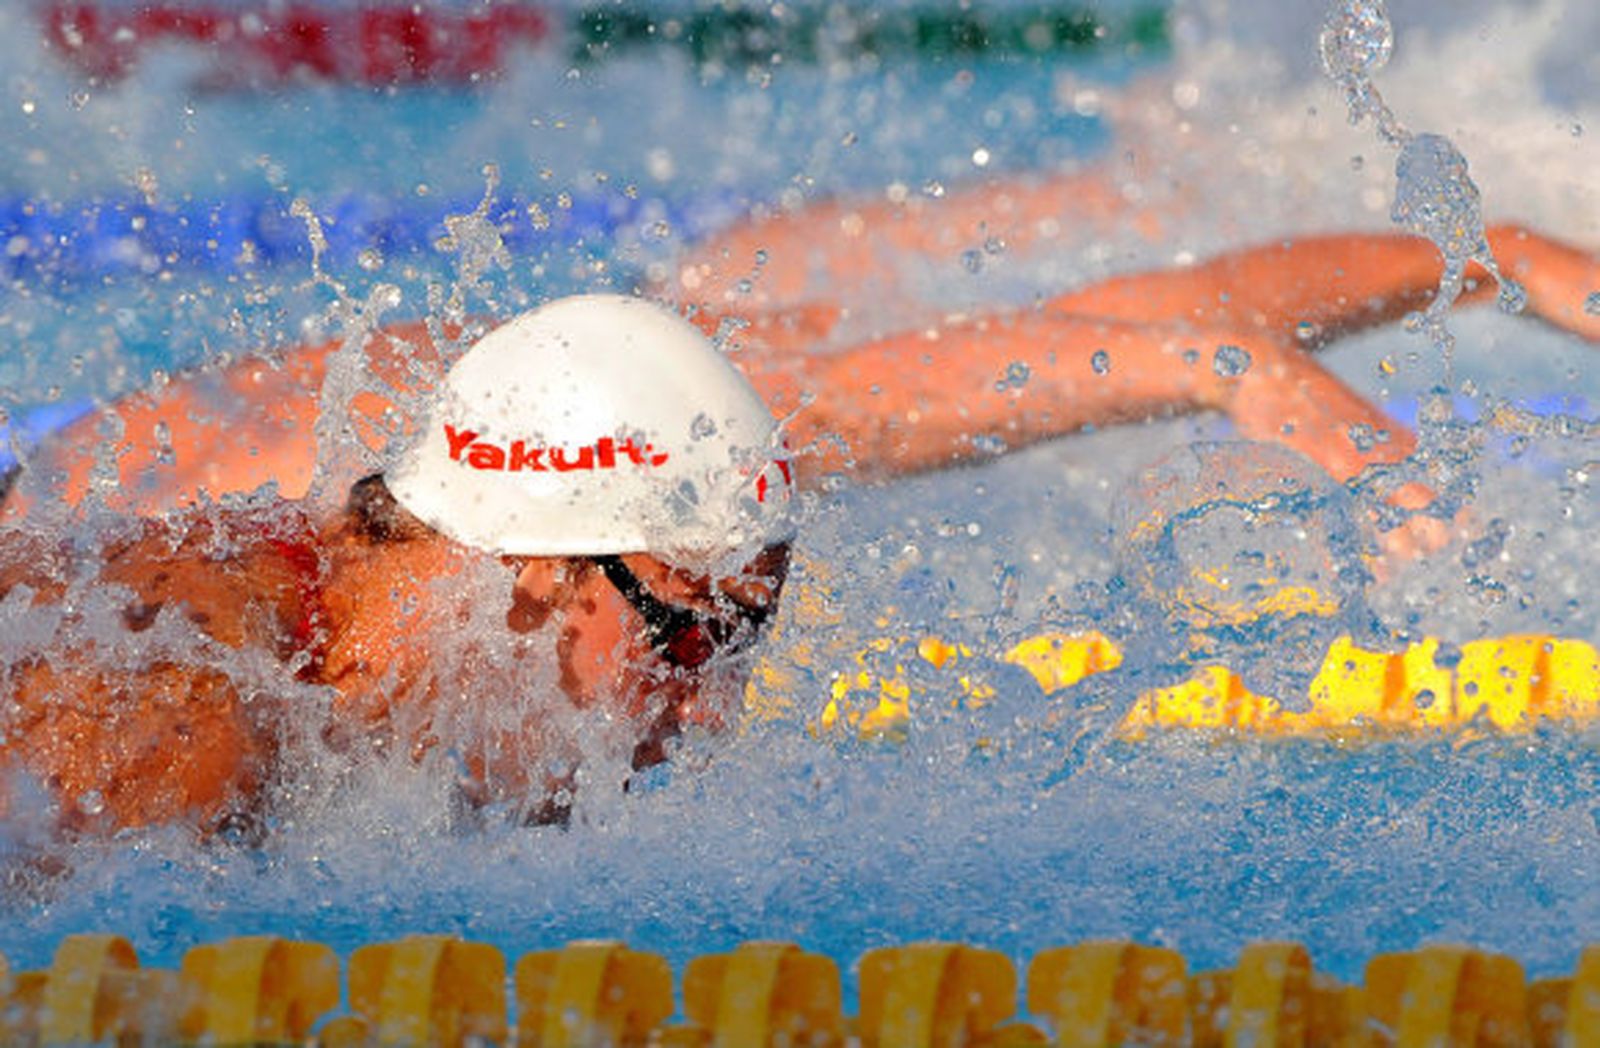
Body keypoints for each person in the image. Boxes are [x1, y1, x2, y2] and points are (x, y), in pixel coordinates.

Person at [2, 171, 1598, 839]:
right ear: (552, 580)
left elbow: (1140, 328)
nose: (714, 721)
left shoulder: (612, 469)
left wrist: (1508, 258)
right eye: (704, 640)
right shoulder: (170, 717)